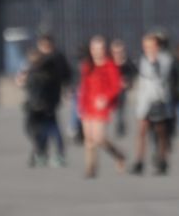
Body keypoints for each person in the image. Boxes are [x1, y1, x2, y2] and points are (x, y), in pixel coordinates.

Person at [76, 35, 129, 179]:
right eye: (94, 48)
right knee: (89, 139)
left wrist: (106, 98)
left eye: (100, 48)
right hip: (88, 104)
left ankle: (119, 155)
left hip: (101, 105)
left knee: (99, 138)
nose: (97, 51)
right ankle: (90, 168)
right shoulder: (87, 65)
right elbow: (84, 87)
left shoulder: (110, 65)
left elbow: (115, 86)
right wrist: (81, 106)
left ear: (104, 50)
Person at [128, 31, 175, 175]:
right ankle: (139, 161)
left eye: (151, 45)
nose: (148, 48)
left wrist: (153, 61)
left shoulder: (165, 59)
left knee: (161, 131)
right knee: (141, 131)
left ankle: (162, 160)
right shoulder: (141, 59)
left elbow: (160, 75)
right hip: (144, 100)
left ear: (158, 46)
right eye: (145, 46)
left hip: (159, 99)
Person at [19, 34, 70, 168]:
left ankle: (51, 154)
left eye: (44, 45)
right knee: (39, 128)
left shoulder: (52, 59)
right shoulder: (42, 60)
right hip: (38, 101)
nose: (42, 48)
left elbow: (64, 74)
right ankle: (41, 153)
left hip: (47, 101)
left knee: (50, 127)